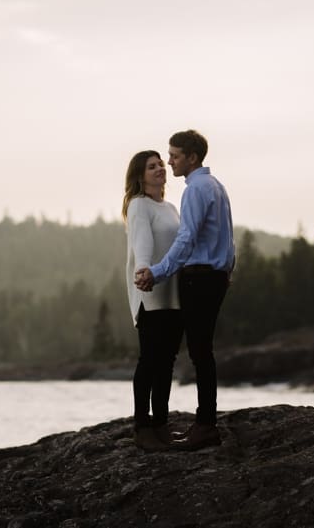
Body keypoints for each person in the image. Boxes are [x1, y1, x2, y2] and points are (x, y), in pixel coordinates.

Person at [135, 129, 235, 451]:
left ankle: (205, 425)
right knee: (202, 351)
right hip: (214, 276)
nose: (169, 161)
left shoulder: (194, 190)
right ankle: (205, 422)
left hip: (199, 278)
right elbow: (228, 240)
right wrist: (225, 271)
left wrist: (158, 272)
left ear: (191, 158)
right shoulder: (216, 186)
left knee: (200, 352)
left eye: (174, 155)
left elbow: (187, 239)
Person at [123, 150, 184, 452]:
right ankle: (141, 427)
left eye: (161, 164)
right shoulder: (139, 205)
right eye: (152, 166)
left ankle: (161, 424)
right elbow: (142, 243)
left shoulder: (172, 208)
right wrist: (144, 273)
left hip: (174, 294)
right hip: (150, 291)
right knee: (149, 361)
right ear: (140, 176)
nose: (160, 168)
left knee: (167, 362)